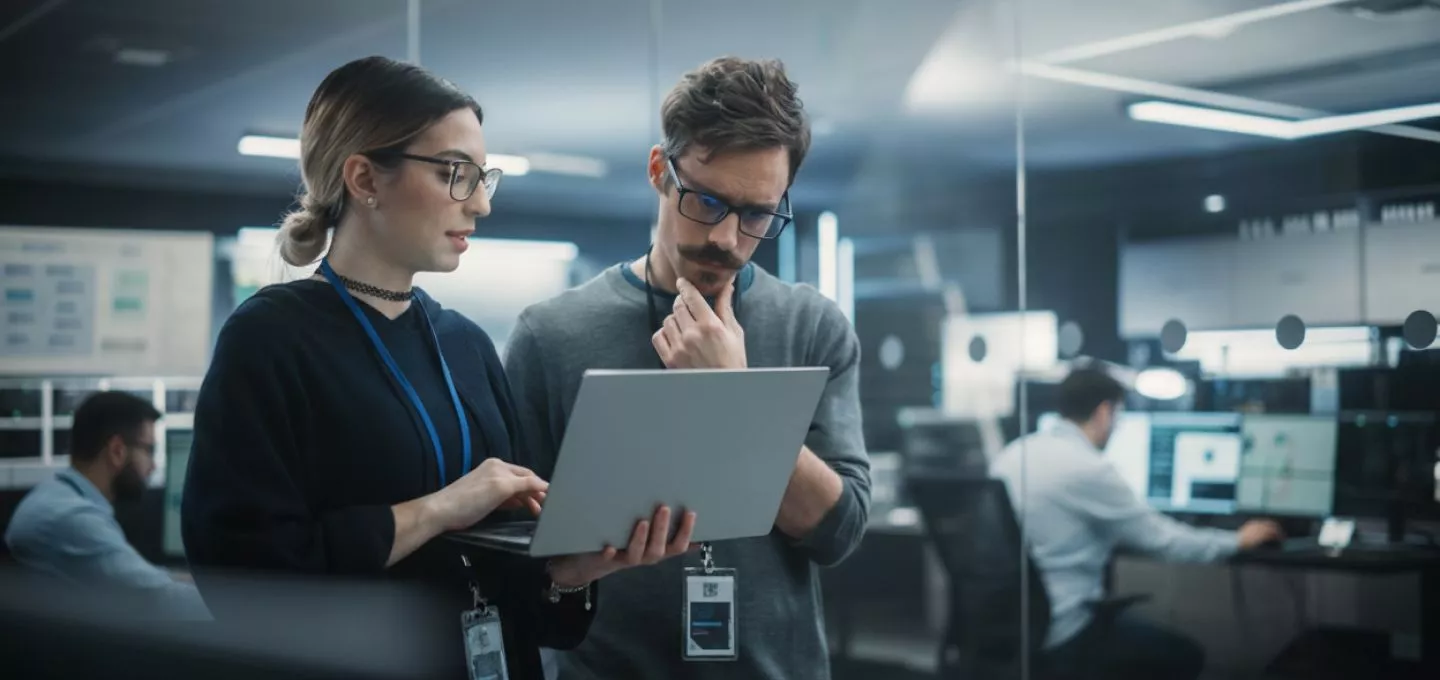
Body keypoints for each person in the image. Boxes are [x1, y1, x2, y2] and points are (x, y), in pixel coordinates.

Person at [181, 56, 693, 680]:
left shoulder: (467, 345)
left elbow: (521, 597)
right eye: (455, 173)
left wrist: (570, 572)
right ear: (366, 178)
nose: (479, 204)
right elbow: (244, 578)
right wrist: (441, 508)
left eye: (483, 178)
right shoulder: (270, 339)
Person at [504, 56, 871, 680]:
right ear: (659, 172)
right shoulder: (551, 334)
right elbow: (514, 550)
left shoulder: (813, 326)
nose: (728, 237)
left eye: (757, 214)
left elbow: (837, 533)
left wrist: (733, 394)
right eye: (706, 201)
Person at [989, 366, 1285, 680]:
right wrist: (1237, 540)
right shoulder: (1088, 468)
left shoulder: (1012, 454)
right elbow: (1165, 542)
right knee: (1185, 656)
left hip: (1006, 627)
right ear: (1105, 411)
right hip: (1064, 630)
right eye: (1118, 415)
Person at [5, 391, 207, 619]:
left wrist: (177, 577)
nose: (152, 466)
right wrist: (237, 606)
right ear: (117, 451)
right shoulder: (70, 518)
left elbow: (140, 580)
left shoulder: (56, 497)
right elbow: (156, 597)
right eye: (148, 450)